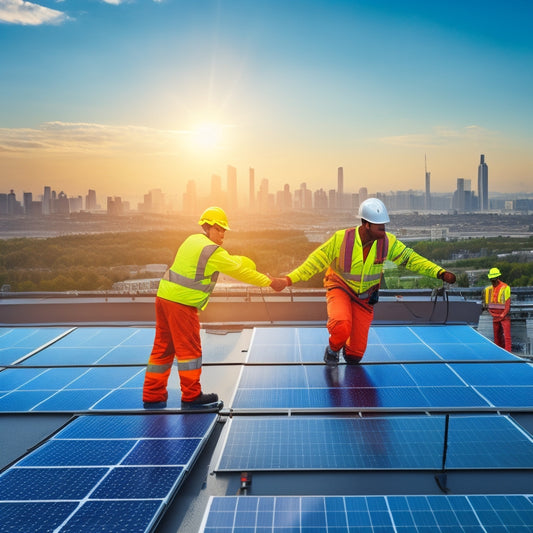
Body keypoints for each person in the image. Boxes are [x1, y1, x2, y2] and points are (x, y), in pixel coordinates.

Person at [280, 198, 456, 365]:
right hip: (340, 289)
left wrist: (439, 272)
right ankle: (333, 350)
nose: (384, 229)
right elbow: (314, 262)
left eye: (384, 225)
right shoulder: (341, 239)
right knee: (341, 325)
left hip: (364, 297)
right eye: (379, 226)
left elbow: (412, 259)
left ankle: (349, 355)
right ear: (366, 224)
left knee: (355, 355)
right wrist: (288, 279)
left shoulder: (387, 243)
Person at [142, 206, 287, 409]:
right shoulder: (213, 251)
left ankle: (152, 393)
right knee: (189, 351)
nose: (222, 234)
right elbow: (239, 271)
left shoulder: (192, 240)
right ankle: (191, 396)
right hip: (182, 304)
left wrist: (245, 263)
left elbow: (232, 262)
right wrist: (270, 282)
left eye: (224, 230)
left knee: (163, 347)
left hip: (164, 297)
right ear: (207, 227)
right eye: (219, 229)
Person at [483, 267, 512, 352]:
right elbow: (487, 304)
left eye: (494, 279)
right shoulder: (488, 289)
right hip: (495, 316)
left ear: (498, 278)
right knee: (496, 336)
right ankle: (498, 352)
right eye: (491, 279)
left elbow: (507, 303)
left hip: (504, 316)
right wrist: (492, 313)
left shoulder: (505, 287)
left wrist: (503, 315)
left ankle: (508, 353)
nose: (492, 281)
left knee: (506, 336)